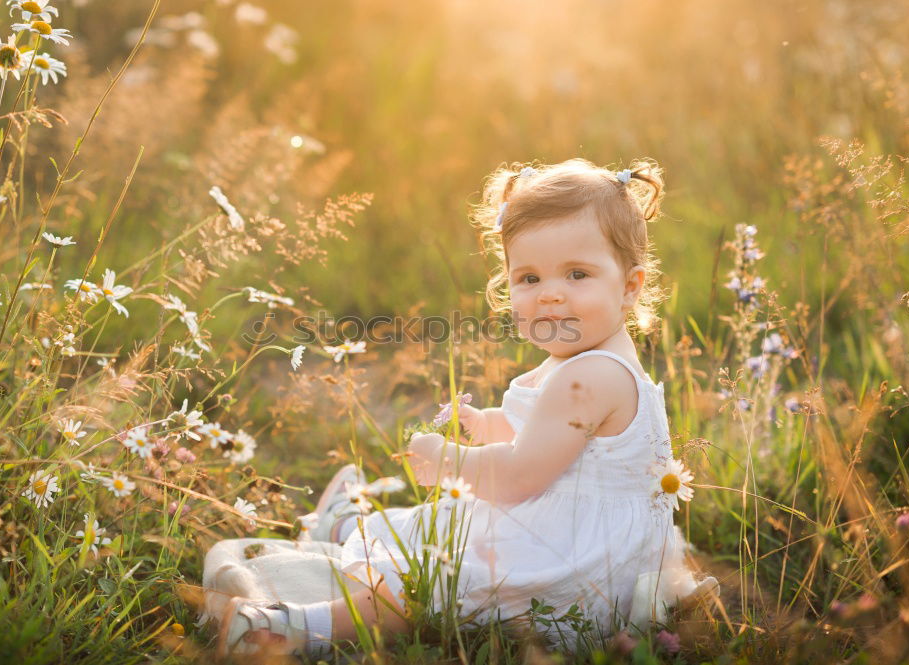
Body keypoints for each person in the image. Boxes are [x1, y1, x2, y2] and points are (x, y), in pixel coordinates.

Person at [200, 157, 718, 658]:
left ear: (630, 286)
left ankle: (286, 627)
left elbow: (519, 477)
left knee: (434, 578)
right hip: (590, 549)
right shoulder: (597, 359)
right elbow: (544, 435)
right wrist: (486, 424)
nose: (551, 296)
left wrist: (446, 461)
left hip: (573, 572)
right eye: (530, 278)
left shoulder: (591, 375)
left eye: (577, 275)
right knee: (437, 532)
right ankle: (340, 525)